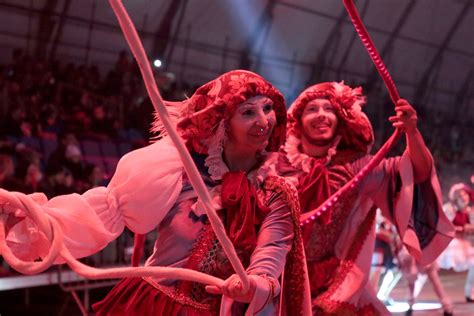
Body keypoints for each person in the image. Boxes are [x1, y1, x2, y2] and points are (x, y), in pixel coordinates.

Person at [2, 70, 310, 315]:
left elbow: (271, 259)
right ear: (222, 123)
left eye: (268, 108)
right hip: (148, 306)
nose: (263, 120)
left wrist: (253, 286)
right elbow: (101, 212)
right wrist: (35, 220)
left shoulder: (275, 193)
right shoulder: (176, 168)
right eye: (247, 112)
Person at [276, 81, 454, 315]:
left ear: (341, 118)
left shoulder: (359, 168)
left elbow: (415, 173)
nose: (321, 115)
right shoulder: (275, 165)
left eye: (329, 109)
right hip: (277, 280)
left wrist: (412, 131)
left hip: (337, 285)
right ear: (297, 121)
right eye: (312, 109)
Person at [438, 183, 474, 302]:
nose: (464, 198)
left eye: (466, 195)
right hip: (448, 244)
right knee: (429, 269)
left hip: (464, 245)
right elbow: (443, 226)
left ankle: (470, 293)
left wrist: (470, 228)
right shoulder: (449, 208)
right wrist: (463, 228)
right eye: (461, 195)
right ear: (455, 197)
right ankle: (414, 291)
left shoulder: (469, 211)